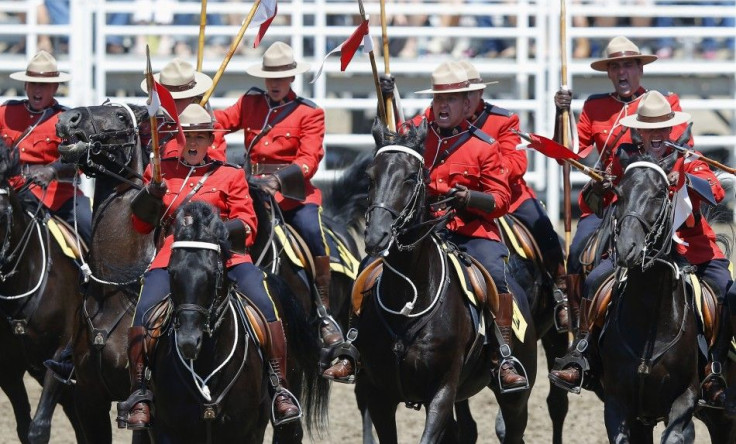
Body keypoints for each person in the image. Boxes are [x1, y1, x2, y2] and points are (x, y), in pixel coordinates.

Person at [326, 61, 530, 391]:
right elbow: (392, 138)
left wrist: (469, 198)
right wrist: (387, 98)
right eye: (438, 99)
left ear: (468, 104)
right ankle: (352, 345)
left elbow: (501, 200)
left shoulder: (484, 145)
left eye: (451, 99)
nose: (443, 106)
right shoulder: (420, 136)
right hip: (420, 231)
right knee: (368, 269)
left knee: (494, 273)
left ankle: (502, 354)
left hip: (471, 233)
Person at [117, 104, 301, 429]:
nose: (193, 143)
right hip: (174, 260)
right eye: (188, 136)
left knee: (264, 303)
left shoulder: (229, 174)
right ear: (178, 137)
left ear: (210, 140)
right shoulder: (159, 172)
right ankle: (140, 392)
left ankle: (278, 386)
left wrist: (218, 231)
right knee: (144, 310)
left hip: (227, 259)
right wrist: (149, 195)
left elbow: (248, 225)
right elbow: (141, 225)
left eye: (201, 137)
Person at [549, 91, 732, 407]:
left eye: (663, 127)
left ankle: (713, 367)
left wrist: (685, 181)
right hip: (635, 251)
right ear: (640, 132)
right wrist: (599, 186)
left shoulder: (687, 158)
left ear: (671, 129)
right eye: (650, 128)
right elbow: (592, 204)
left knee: (724, 289)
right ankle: (582, 353)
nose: (657, 134)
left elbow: (714, 191)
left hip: (693, 251)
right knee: (594, 281)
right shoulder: (624, 159)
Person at [213, 41, 347, 356]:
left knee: (314, 235)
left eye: (280, 77)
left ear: (291, 78)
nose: (274, 83)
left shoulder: (309, 112)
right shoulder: (250, 102)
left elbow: (309, 159)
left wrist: (279, 180)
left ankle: (322, 308)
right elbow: (216, 125)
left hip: (293, 195)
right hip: (251, 190)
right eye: (269, 77)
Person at [554, 35, 691, 326]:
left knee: (691, 256)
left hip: (653, 198)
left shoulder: (663, 103)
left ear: (640, 69)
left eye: (628, 65)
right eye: (615, 67)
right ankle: (577, 314)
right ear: (608, 73)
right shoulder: (594, 107)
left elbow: (679, 148)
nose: (621, 73)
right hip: (610, 199)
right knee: (578, 248)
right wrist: (560, 114)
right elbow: (567, 156)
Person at [460, 60, 568, 329]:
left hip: (510, 197)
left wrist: (487, 176)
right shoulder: (442, 119)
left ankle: (562, 291)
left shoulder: (503, 119)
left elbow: (517, 162)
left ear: (480, 93)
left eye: (468, 94)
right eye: (456, 95)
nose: (463, 100)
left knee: (544, 230)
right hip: (458, 199)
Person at [0, 50, 92, 245]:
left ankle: (97, 275)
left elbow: (78, 161)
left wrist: (52, 170)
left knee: (88, 223)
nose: (37, 90)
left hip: (56, 194)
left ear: (55, 87)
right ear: (25, 85)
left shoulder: (67, 120)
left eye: (44, 85)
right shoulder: (6, 112)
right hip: (11, 191)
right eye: (33, 84)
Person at [139, 58, 226, 160]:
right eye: (164, 99)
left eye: (177, 100)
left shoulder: (209, 129)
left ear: (193, 99)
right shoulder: (151, 126)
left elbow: (212, 165)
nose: (168, 105)